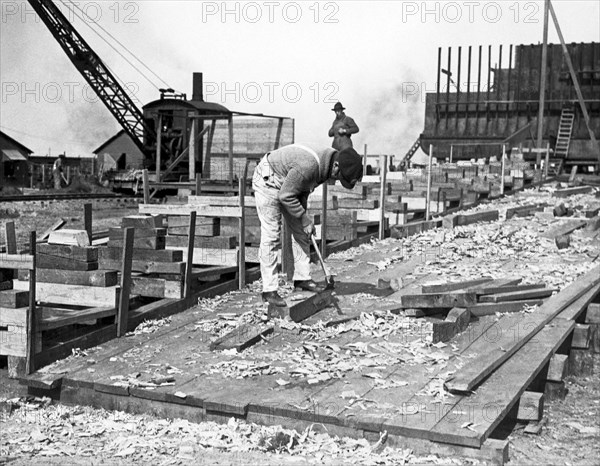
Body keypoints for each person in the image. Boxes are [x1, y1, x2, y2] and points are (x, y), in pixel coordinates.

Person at [252, 143, 363, 307]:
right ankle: (269, 291)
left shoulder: (328, 165)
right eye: (338, 177)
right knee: (272, 235)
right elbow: (286, 195)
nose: (335, 180)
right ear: (336, 166)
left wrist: (303, 220)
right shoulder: (310, 165)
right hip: (268, 181)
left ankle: (302, 279)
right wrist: (304, 218)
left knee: (302, 232)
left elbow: (302, 189)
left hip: (286, 184)